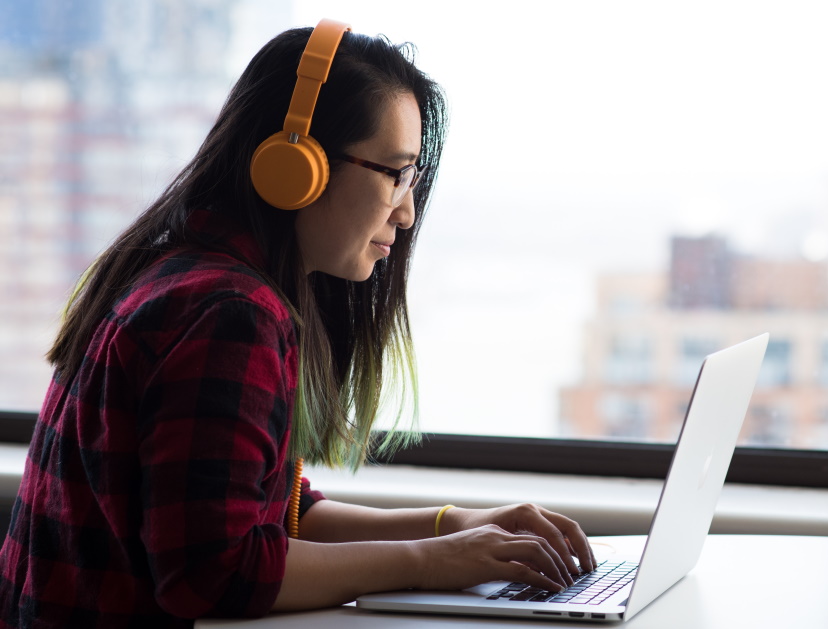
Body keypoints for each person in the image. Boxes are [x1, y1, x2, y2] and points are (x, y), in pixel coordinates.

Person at [0, 19, 595, 628]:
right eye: (395, 173)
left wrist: (455, 525)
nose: (409, 211)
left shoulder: (186, 272)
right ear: (296, 164)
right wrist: (430, 561)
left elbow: (270, 510)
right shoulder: (229, 314)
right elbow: (214, 573)